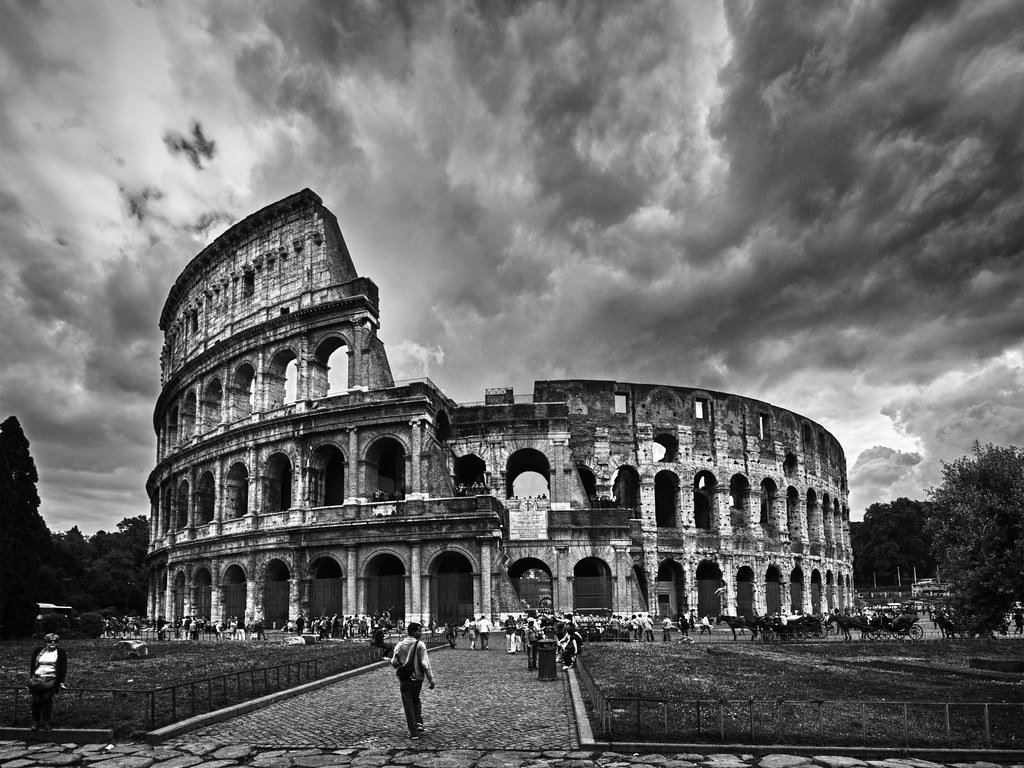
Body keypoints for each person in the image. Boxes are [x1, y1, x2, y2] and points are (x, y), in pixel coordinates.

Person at [390, 622, 435, 740]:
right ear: (413, 632)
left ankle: (413, 731)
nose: (420, 633)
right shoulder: (420, 645)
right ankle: (418, 723)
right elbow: (425, 664)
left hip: (405, 679)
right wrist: (431, 679)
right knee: (416, 700)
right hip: (417, 679)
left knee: (408, 704)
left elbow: (394, 662)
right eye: (419, 631)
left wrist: (402, 665)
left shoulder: (400, 645)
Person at [28, 633, 68, 731]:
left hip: (51, 679)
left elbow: (63, 667)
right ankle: (35, 722)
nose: (53, 643)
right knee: (36, 700)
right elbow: (33, 665)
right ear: (46, 642)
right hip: (37, 679)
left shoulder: (60, 652)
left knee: (46, 698)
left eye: (55, 641)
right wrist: (31, 678)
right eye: (50, 641)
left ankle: (46, 721)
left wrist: (61, 681)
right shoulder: (39, 651)